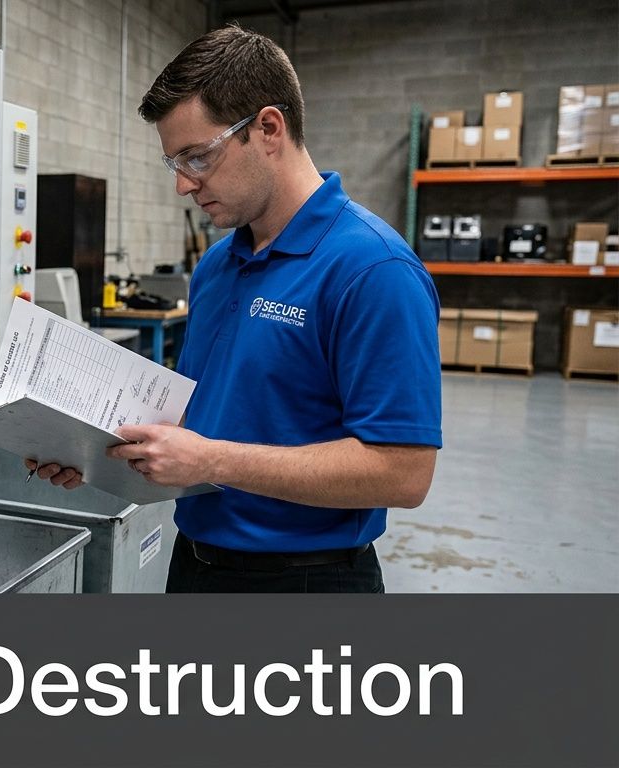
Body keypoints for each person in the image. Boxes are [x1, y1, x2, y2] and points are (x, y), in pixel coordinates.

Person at [27, 25, 442, 593]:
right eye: (175, 163)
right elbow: (207, 420)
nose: (183, 185)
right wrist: (88, 448)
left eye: (197, 157)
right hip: (195, 564)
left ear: (268, 129)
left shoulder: (374, 270)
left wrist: (213, 462)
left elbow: (403, 472)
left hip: (306, 583)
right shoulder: (217, 266)